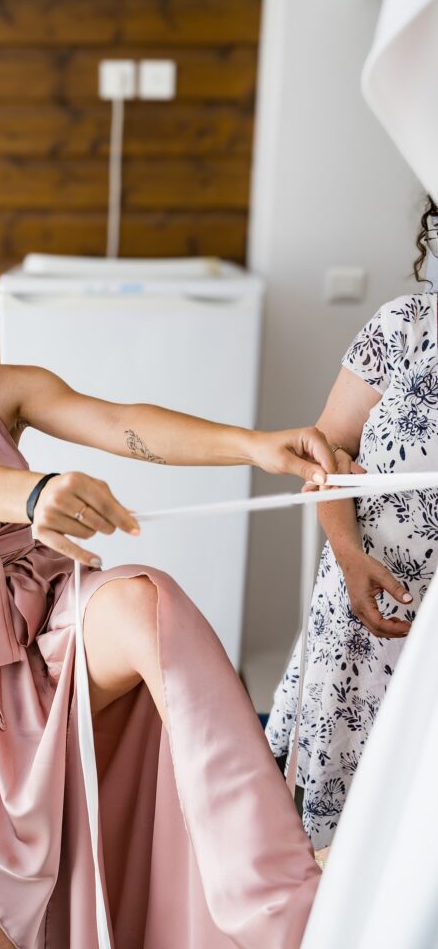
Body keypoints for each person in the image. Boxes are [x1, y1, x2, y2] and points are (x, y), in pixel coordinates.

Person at [0, 198, 333, 949]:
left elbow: (121, 420)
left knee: (149, 604)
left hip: (51, 611)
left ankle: (281, 896)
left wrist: (254, 446)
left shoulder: (1, 386)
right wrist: (33, 491)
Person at [267, 195, 438, 851]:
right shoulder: (404, 327)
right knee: (343, 834)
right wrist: (345, 553)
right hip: (367, 608)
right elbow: (327, 452)